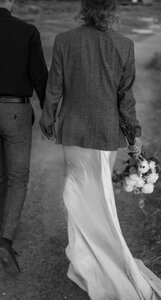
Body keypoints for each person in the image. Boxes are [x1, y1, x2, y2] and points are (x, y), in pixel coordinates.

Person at [40, 0, 161, 299]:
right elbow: (125, 99)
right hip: (105, 134)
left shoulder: (65, 40)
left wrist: (47, 119)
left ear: (85, 8)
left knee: (77, 192)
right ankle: (88, 254)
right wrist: (135, 135)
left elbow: (54, 87)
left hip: (73, 132)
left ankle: (85, 256)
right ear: (112, 10)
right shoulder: (124, 44)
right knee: (98, 196)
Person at [0, 0, 48, 276]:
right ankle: (4, 241)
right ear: (11, 2)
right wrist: (48, 115)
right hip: (16, 110)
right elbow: (40, 77)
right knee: (17, 178)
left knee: (1, 177)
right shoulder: (27, 31)